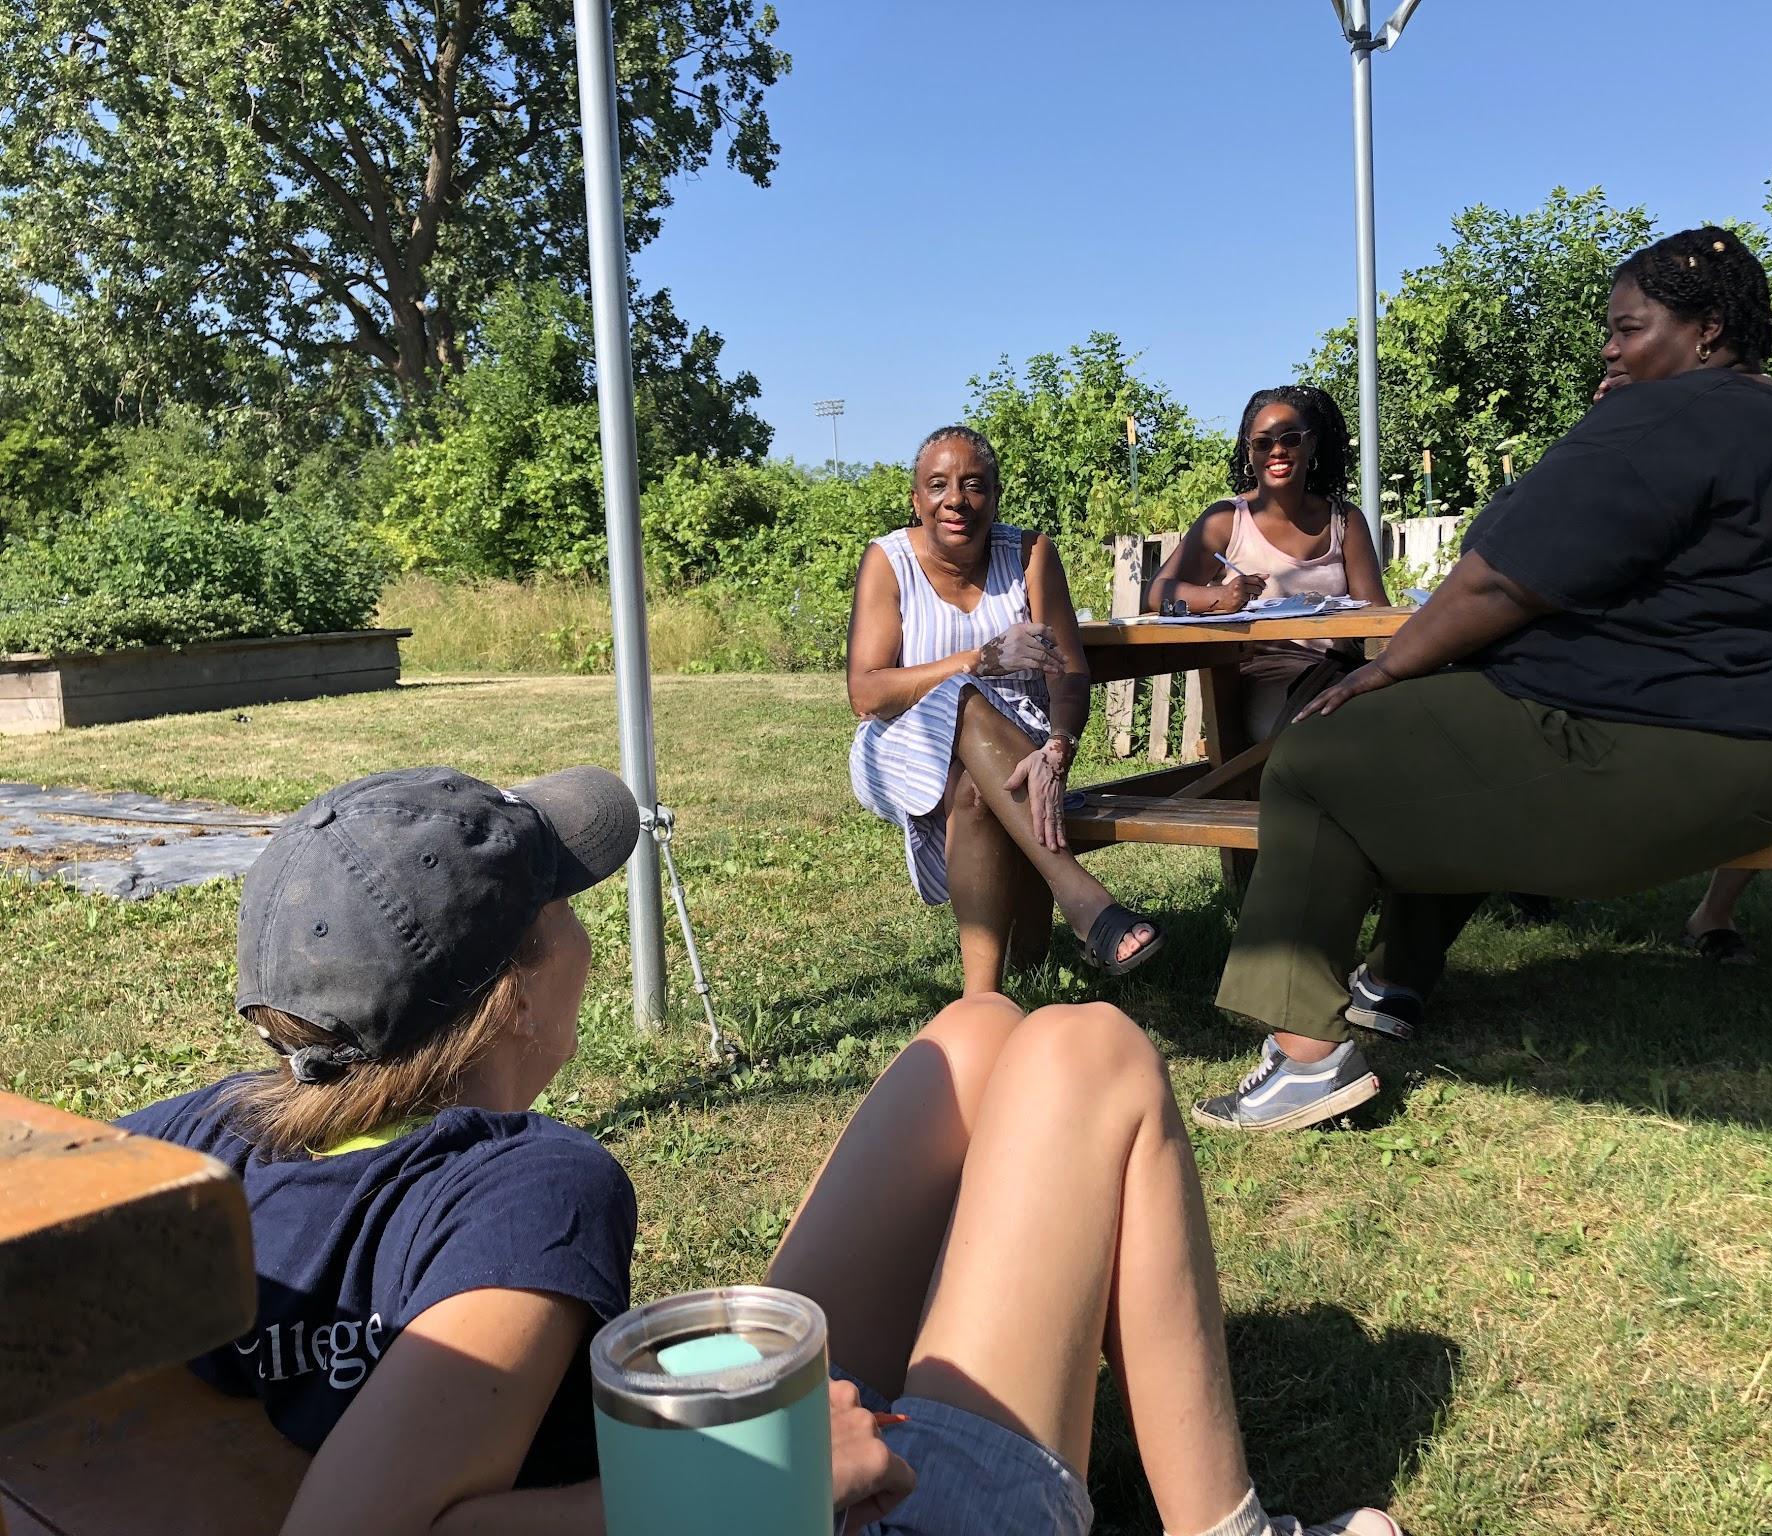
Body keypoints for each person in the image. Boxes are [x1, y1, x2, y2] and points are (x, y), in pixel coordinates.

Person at [118, 766, 1395, 1536]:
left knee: (979, 1028)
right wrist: (750, 1482)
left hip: (703, 1461)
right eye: (559, 904)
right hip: (839, 1517)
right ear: (513, 989)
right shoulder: (530, 1192)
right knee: (1092, 1053)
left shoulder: (195, 1134)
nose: (579, 924)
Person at [1194, 227, 1772, 1133]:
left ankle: (1306, 1062)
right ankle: (1392, 982)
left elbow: (1497, 572)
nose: (1611, 347)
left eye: (1629, 328)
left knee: (1320, 753)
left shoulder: (1662, 417)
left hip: (1669, 752)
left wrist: (1385, 669)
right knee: (1439, 748)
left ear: (1705, 330)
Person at [849, 425, 1162, 990]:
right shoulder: (888, 561)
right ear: (916, 499)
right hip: (903, 743)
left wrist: (1059, 746)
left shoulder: (1030, 554)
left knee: (975, 790)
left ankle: (982, 998)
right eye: (938, 485)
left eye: (973, 485)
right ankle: (1082, 898)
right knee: (963, 699)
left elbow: (1069, 672)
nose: (956, 500)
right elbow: (866, 693)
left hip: (1019, 746)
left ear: (994, 495)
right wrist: (978, 659)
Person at [1145, 386, 1390, 739]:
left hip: (1338, 671)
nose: (1277, 450)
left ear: (1312, 444)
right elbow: (1157, 592)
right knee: (1330, 728)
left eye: (1290, 439)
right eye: (1263, 443)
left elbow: (1375, 613)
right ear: (1249, 452)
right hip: (1263, 676)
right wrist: (1221, 599)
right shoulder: (1227, 519)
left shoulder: (1344, 520)